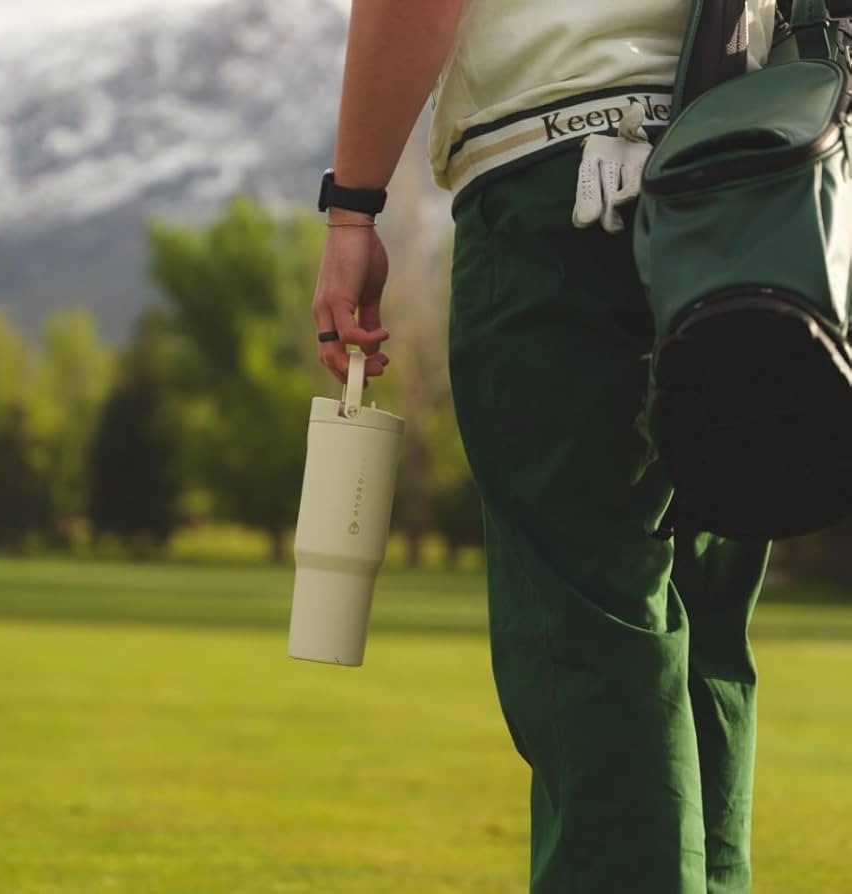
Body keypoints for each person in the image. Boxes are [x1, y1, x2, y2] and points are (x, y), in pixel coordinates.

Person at [311, 2, 775, 891]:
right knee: (702, 633)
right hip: (753, 193)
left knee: (596, 636)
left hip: (565, 199)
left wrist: (352, 212)